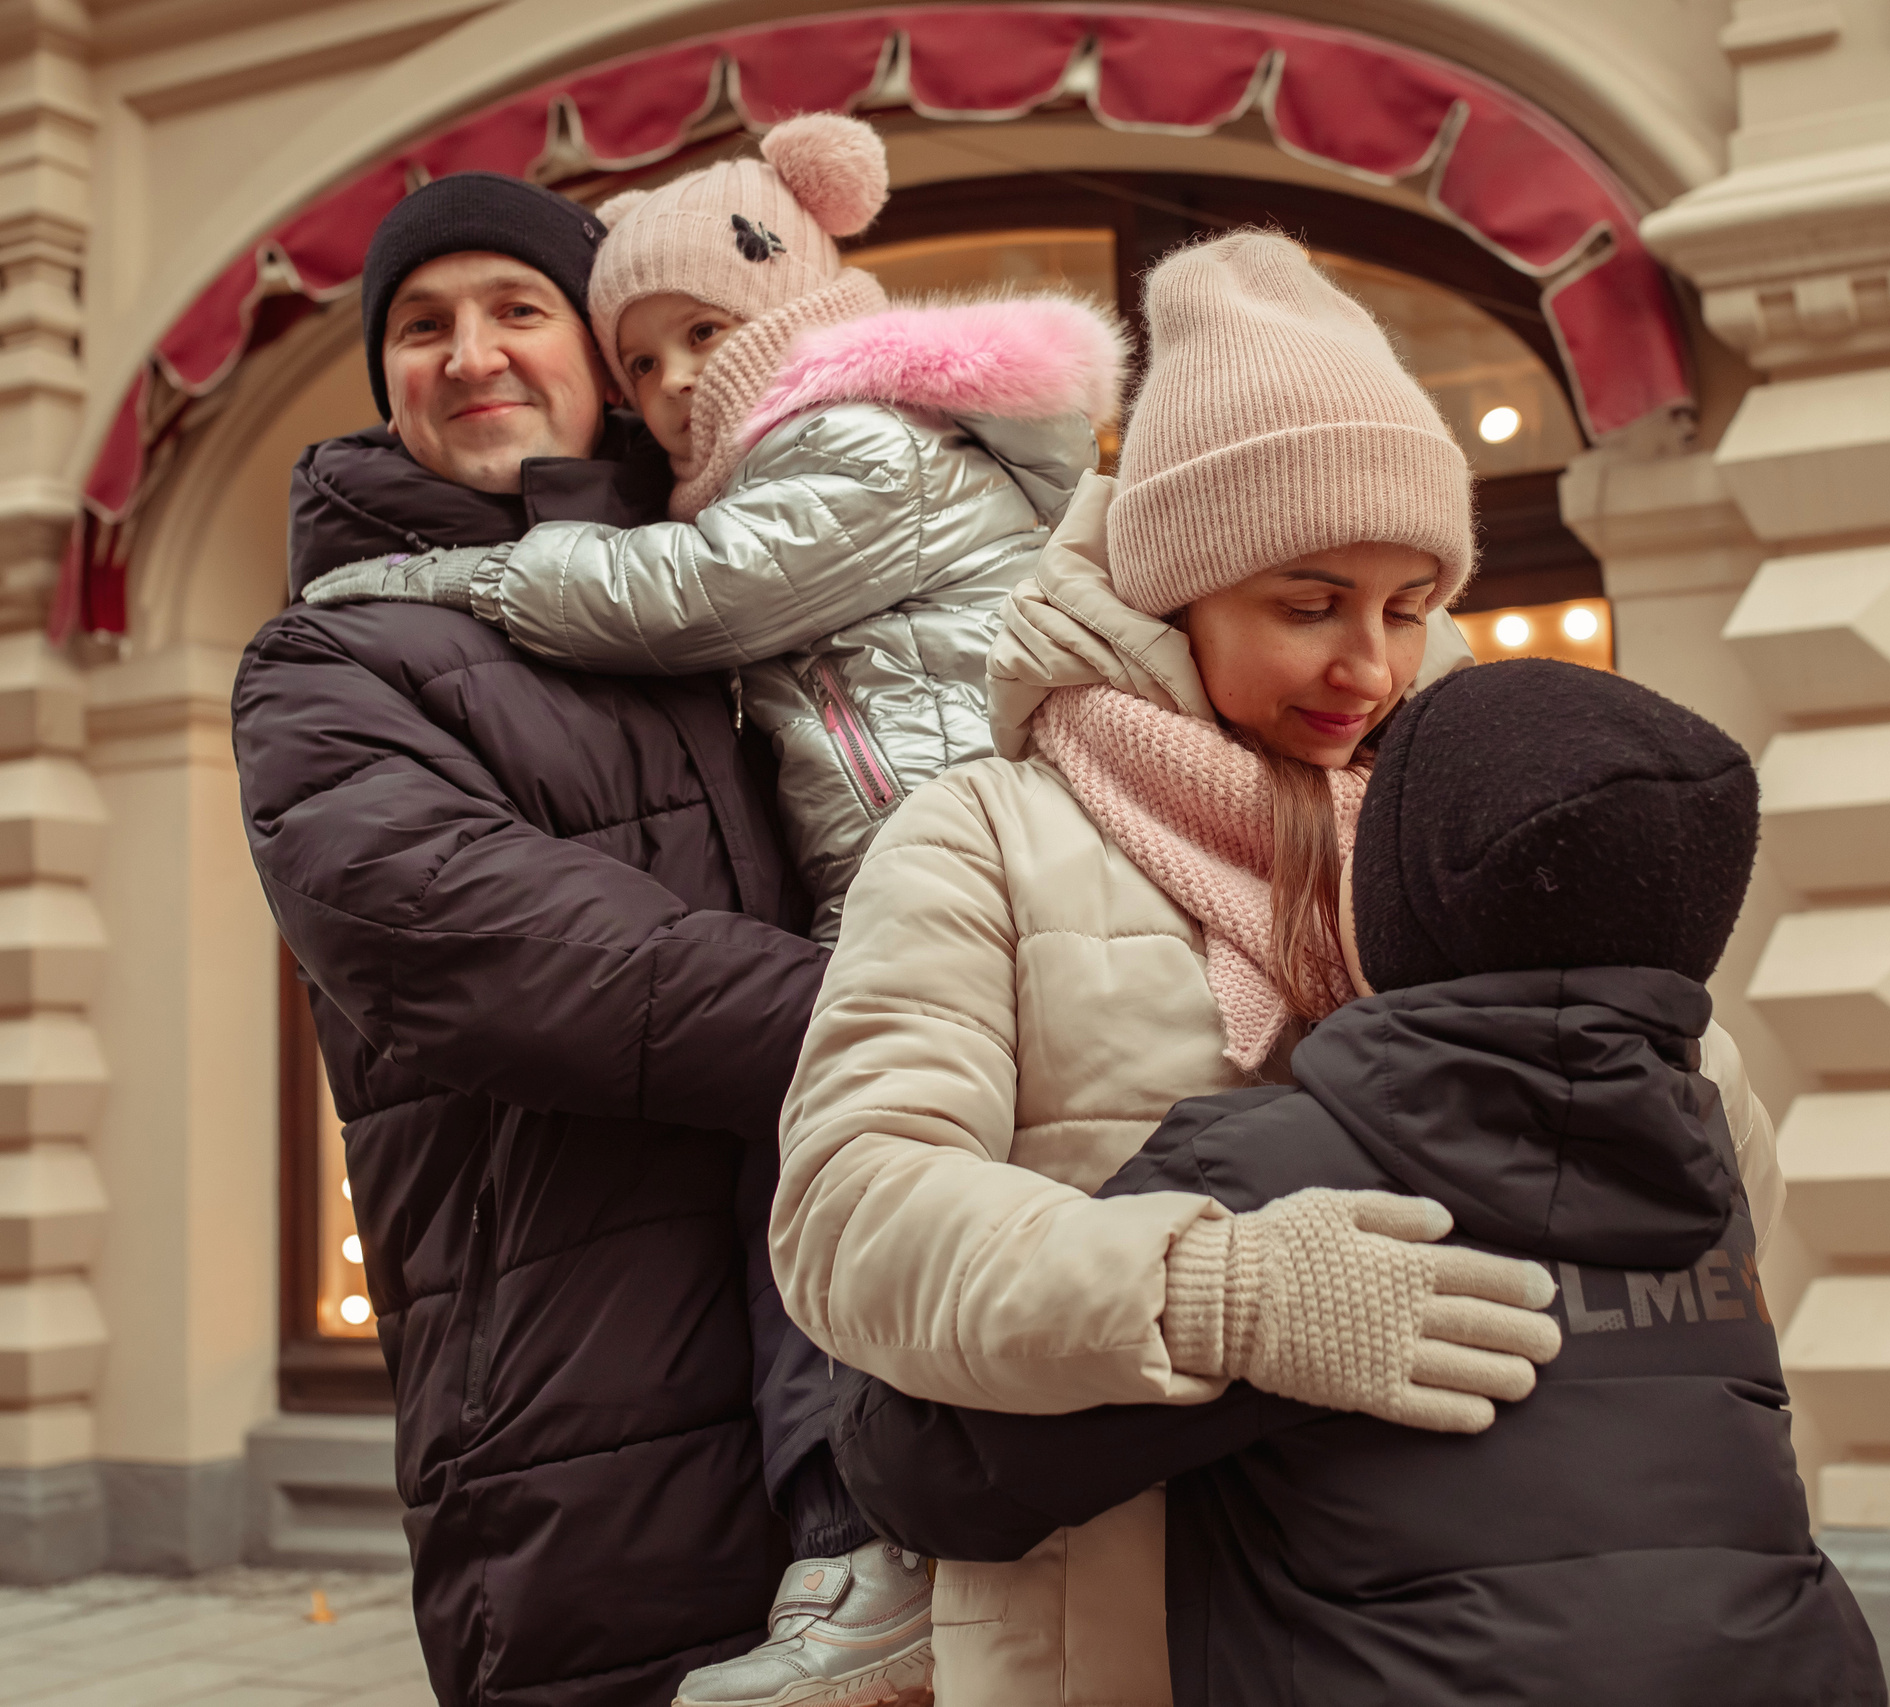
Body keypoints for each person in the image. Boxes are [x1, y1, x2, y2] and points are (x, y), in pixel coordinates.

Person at [768, 232, 1783, 1707]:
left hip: (1456, 1620)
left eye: (1409, 602)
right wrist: (1209, 1287)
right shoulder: (987, 831)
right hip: (1122, 1626)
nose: (1368, 663)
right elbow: (851, 1214)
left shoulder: (1478, 834)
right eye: (1309, 602)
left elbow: (1708, 1197)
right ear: (1181, 582)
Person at [830, 657, 1885, 1707]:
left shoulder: (1271, 1173)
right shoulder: (1706, 1161)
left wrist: (1208, 1301)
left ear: (1394, 899)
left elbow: (925, 1476)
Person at [232, 172, 919, 1707]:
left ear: (605, 363)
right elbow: (489, 948)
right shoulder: (335, 654)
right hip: (572, 1410)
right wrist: (926, 1017)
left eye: (515, 308)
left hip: (867, 1347)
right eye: (421, 326)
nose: (467, 350)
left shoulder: (726, 602)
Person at [303, 114, 1122, 942]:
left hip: (980, 860)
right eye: (644, 363)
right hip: (921, 862)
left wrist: (455, 576)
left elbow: (695, 589)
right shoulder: (317, 656)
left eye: (703, 332)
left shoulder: (869, 439)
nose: (679, 380)